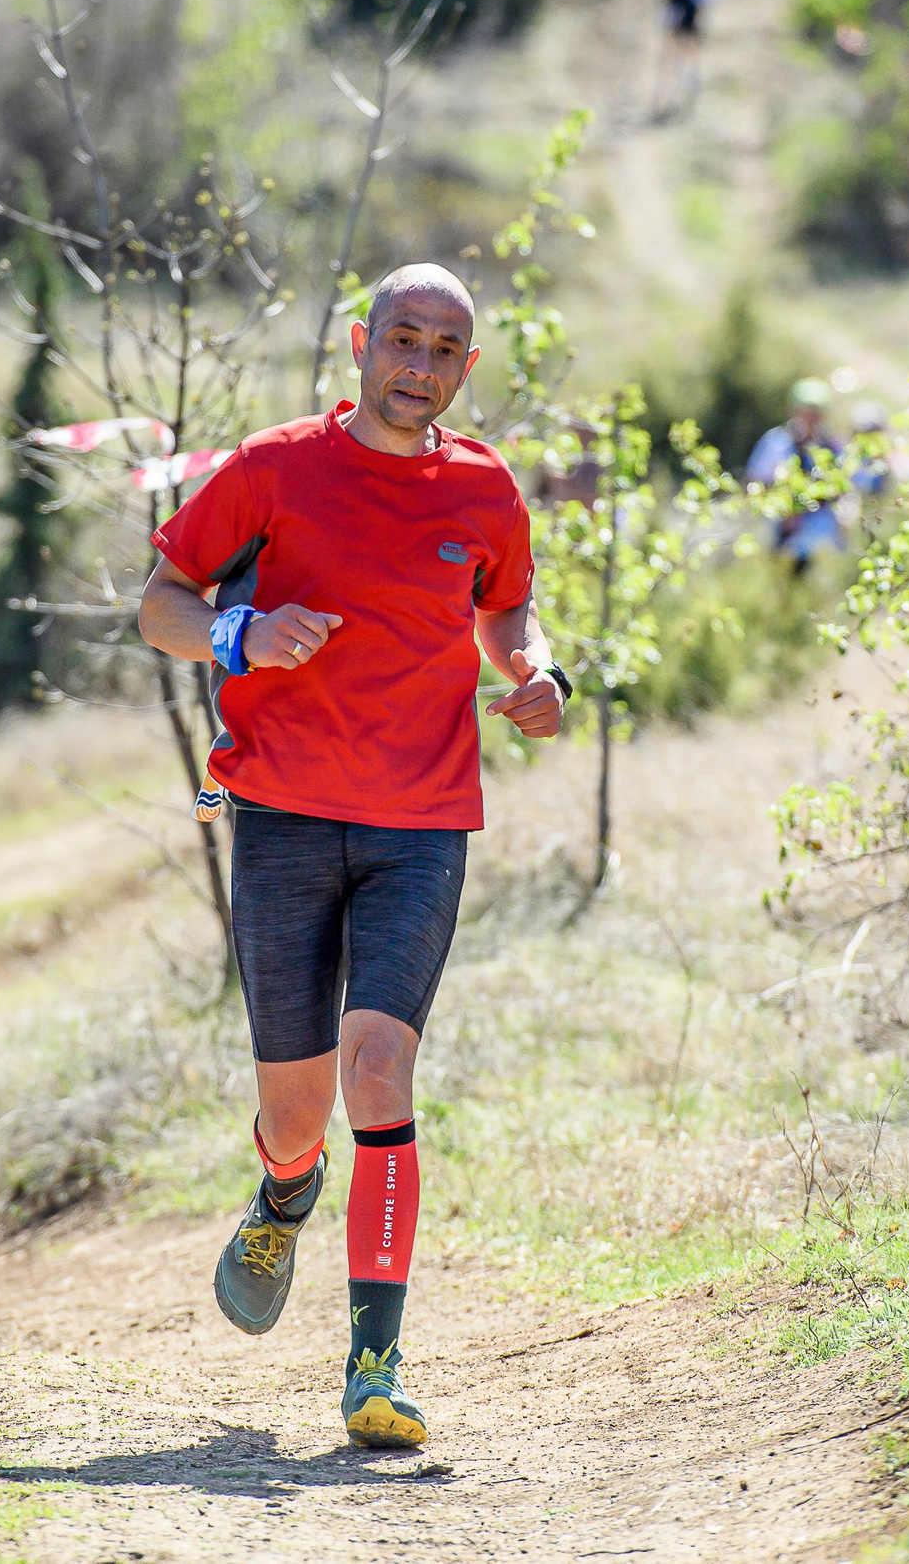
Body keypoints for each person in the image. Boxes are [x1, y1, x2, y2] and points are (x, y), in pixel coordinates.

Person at [136, 263, 570, 1451]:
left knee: (378, 1070)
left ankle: (374, 1363)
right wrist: (242, 631)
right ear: (359, 344)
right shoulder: (273, 467)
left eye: (443, 350)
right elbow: (160, 603)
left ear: (465, 368)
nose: (419, 367)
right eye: (402, 340)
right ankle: (284, 1192)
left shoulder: (485, 489)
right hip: (279, 817)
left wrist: (533, 674)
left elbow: (507, 612)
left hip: (421, 823)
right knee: (294, 1110)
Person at [745, 376, 851, 567]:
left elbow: (843, 490)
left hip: (820, 530)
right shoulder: (776, 444)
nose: (810, 419)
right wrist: (782, 509)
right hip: (779, 526)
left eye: (815, 413)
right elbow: (754, 483)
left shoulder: (833, 448)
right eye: (806, 412)